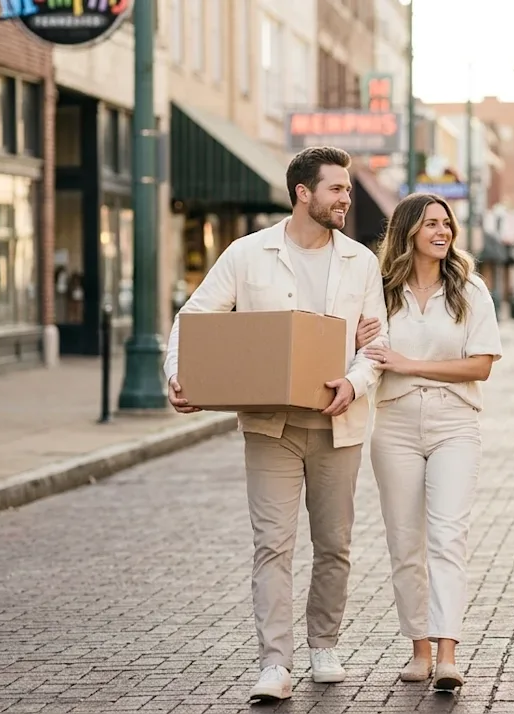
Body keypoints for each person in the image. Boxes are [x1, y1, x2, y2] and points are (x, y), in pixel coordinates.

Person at [164, 146, 389, 704]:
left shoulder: (361, 261)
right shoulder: (248, 254)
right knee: (272, 544)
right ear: (302, 193)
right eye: (335, 188)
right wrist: (181, 373)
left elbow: (378, 343)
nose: (346, 198)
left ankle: (324, 645)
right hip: (269, 425)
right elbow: (193, 317)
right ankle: (274, 662)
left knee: (334, 543)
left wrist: (354, 382)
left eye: (347, 188)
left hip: (338, 423)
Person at [352, 192, 502, 692]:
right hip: (392, 424)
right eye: (431, 224)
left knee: (447, 537)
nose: (442, 232)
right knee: (404, 541)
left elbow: (480, 364)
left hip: (454, 423)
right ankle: (419, 649)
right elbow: (366, 353)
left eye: (447, 224)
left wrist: (411, 365)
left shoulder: (470, 289)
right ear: (408, 231)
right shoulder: (379, 290)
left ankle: (448, 652)